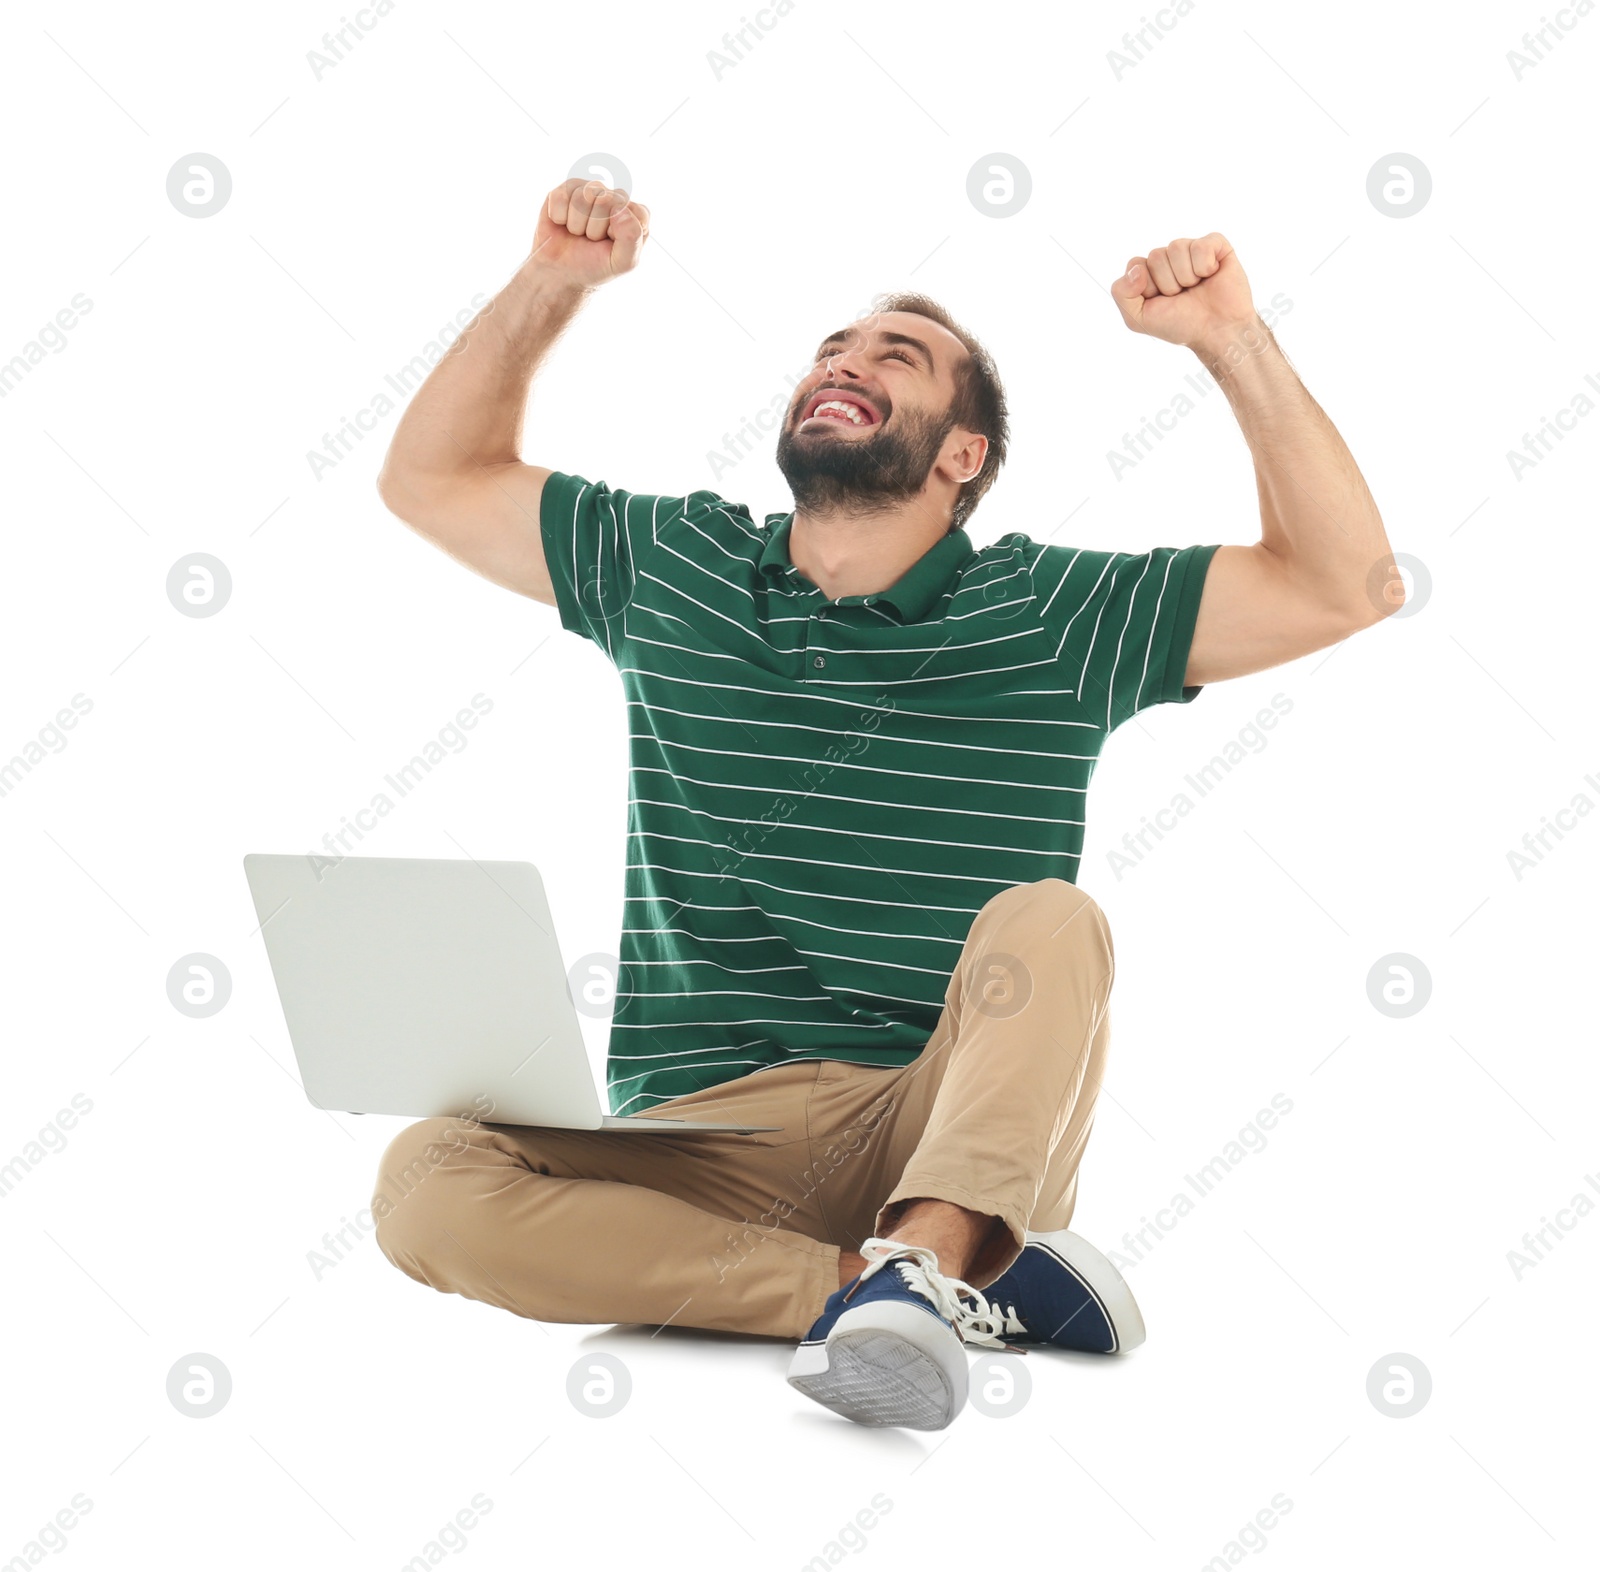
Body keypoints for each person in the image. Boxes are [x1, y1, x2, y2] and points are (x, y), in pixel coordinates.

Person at [369, 178, 1404, 1430]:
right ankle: (889, 1292)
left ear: (960, 457)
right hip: (697, 1142)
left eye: (896, 356)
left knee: (1048, 921)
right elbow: (429, 479)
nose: (844, 363)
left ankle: (934, 1250)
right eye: (830, 352)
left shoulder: (1050, 613)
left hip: (939, 1115)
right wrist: (551, 285)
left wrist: (1230, 340)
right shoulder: (676, 565)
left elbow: (1348, 586)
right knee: (423, 1181)